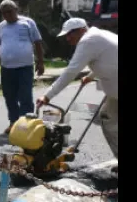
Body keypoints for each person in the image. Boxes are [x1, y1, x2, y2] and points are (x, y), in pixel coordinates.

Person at [36, 17, 118, 173]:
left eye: (70, 34)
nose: (68, 38)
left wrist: (47, 96)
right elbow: (110, 58)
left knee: (109, 119)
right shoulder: (98, 36)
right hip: (115, 91)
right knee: (108, 118)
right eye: (66, 35)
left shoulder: (88, 41)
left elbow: (71, 71)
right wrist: (91, 76)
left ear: (81, 30)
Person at [0, 0, 45, 134]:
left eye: (9, 12)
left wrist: (41, 62)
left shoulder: (28, 23)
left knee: (25, 96)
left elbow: (37, 43)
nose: (7, 15)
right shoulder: (1, 26)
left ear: (16, 10)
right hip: (6, 68)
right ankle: (13, 122)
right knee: (9, 96)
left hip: (25, 67)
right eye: (4, 13)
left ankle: (26, 125)